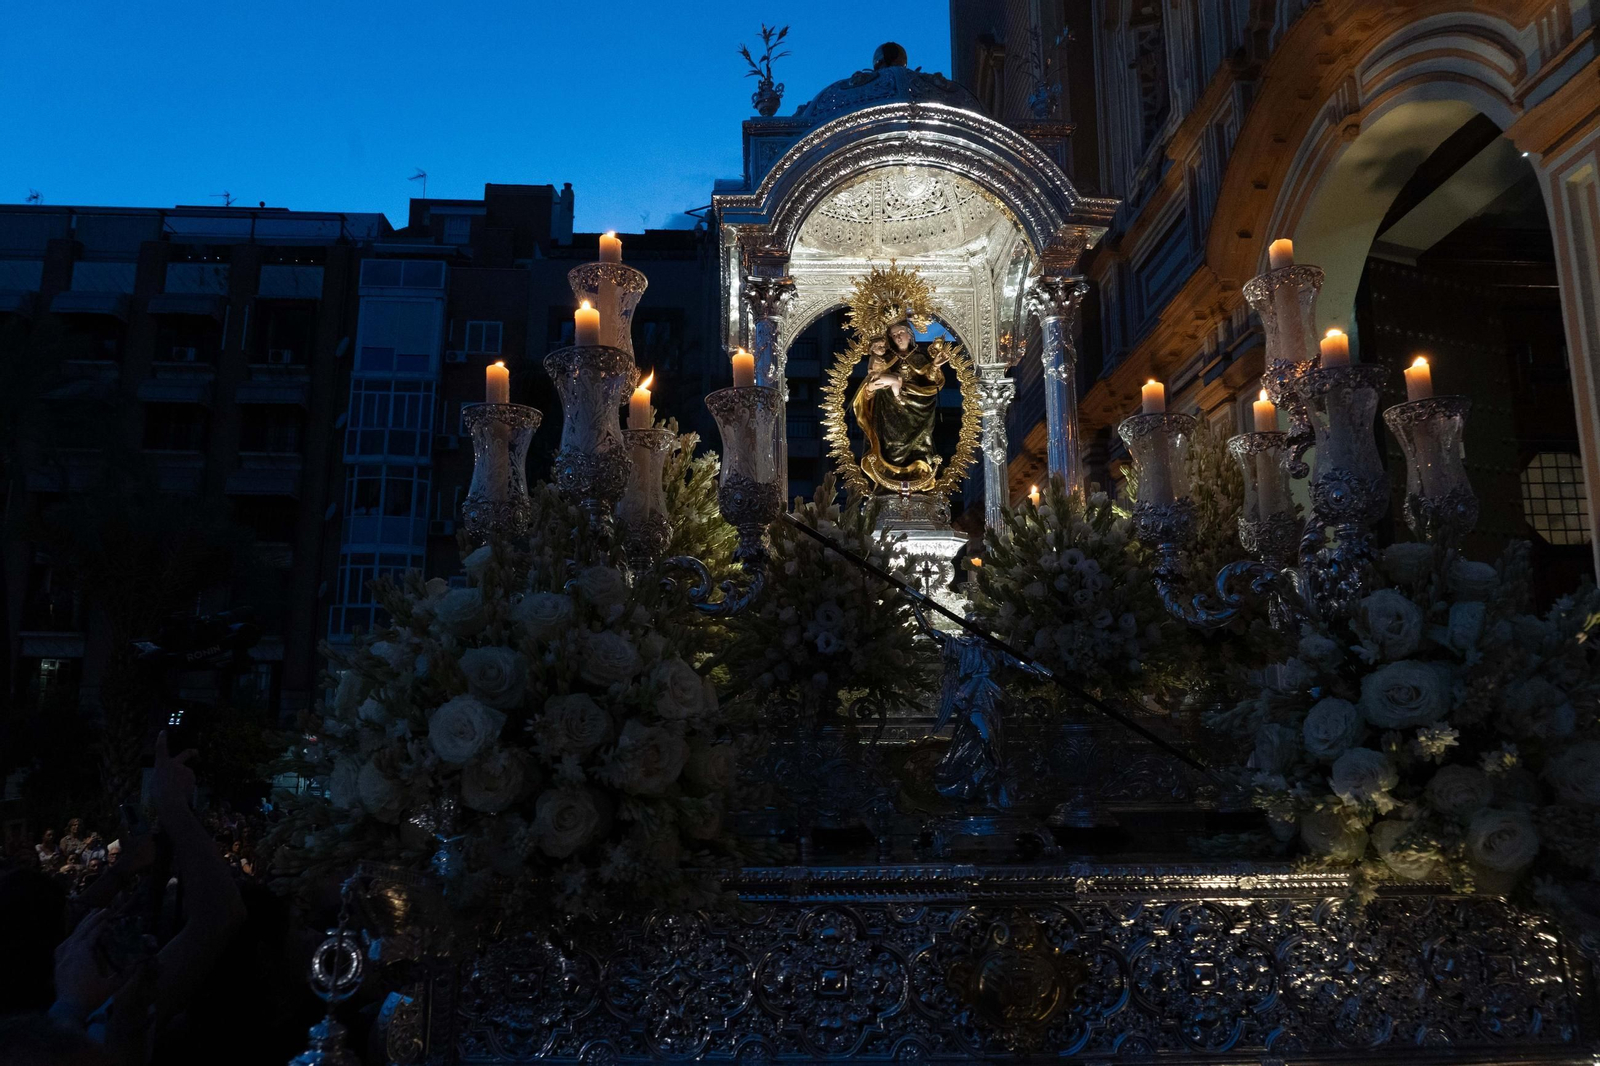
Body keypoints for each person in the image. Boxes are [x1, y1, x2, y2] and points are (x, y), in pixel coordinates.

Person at [851, 319, 951, 493]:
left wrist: (934, 366)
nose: (898, 337)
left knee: (920, 447)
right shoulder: (885, 359)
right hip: (890, 413)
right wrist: (871, 389)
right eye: (894, 335)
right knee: (893, 447)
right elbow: (871, 383)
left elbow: (929, 382)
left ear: (910, 334)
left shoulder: (920, 358)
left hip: (918, 410)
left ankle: (919, 480)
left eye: (901, 333)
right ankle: (890, 483)